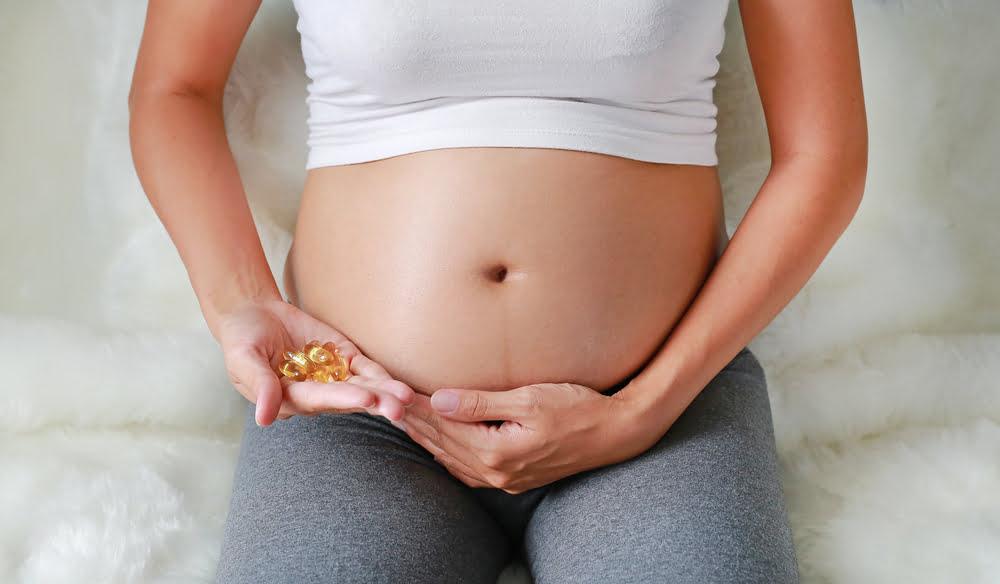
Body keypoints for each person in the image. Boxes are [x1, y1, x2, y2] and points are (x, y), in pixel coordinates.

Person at [127, 0, 867, 582]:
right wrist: (241, 301)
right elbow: (172, 88)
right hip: (356, 403)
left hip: (660, 408)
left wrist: (643, 411)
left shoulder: (652, 411)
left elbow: (824, 154)